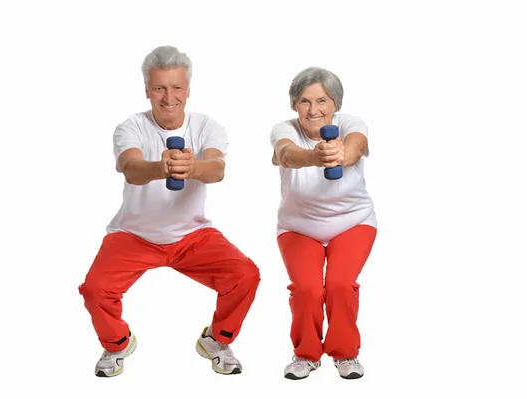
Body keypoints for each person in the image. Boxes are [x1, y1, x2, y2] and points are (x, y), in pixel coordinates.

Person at [78, 45, 260, 378]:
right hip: (134, 235)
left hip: (192, 236)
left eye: (176, 87)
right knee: (94, 288)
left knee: (246, 275)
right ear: (148, 90)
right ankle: (118, 343)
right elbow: (131, 167)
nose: (168, 97)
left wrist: (193, 167)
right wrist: (160, 168)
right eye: (160, 88)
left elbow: (217, 169)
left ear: (187, 90)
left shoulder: (207, 126)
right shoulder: (130, 126)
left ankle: (216, 342)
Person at [269, 67, 377, 380]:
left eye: (322, 101)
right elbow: (286, 154)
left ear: (335, 104)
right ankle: (305, 355)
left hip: (352, 222)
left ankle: (346, 355)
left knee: (340, 285)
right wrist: (315, 157)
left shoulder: (350, 124)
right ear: (294, 105)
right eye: (304, 101)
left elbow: (355, 146)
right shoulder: (283, 129)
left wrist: (341, 154)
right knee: (307, 289)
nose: (313, 110)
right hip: (299, 226)